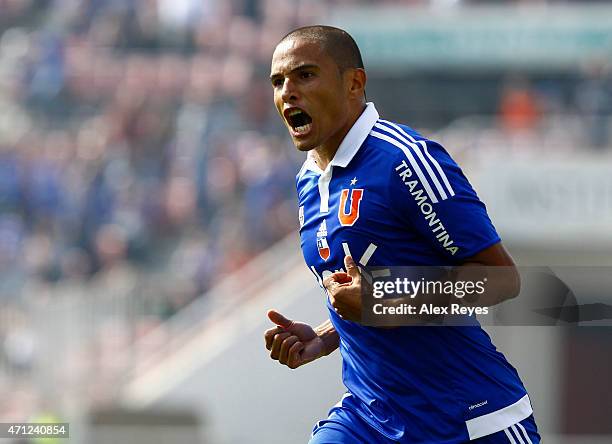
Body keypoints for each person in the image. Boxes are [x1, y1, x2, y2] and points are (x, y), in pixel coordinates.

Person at [264, 25, 540, 444]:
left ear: (354, 83)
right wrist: (323, 337)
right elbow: (365, 288)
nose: (288, 91)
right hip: (368, 418)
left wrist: (386, 300)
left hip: (470, 420)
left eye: (304, 75)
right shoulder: (309, 180)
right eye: (278, 81)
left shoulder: (405, 159)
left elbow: (501, 279)